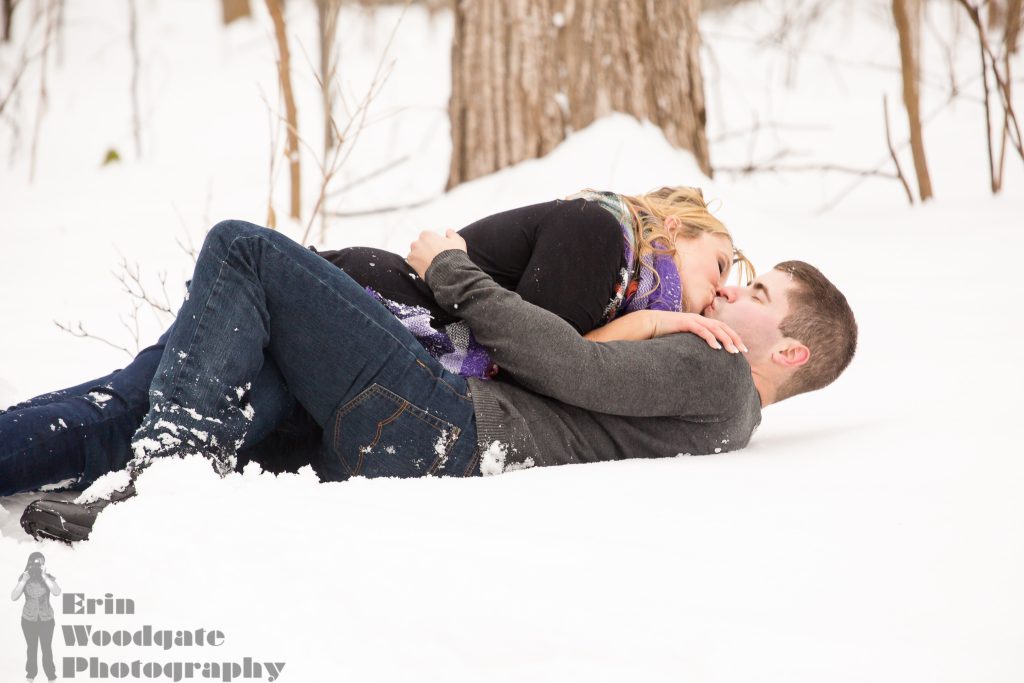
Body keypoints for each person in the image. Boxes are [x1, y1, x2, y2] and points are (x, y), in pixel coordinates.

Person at [20, 216, 857, 543]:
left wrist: (452, 269)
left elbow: (566, 365)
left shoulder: (721, 372)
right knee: (151, 399)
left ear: (789, 353)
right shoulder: (714, 396)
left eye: (760, 294)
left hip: (441, 420)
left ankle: (165, 478)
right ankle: (145, 463)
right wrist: (646, 322)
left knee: (242, 248)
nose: (733, 293)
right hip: (421, 434)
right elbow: (593, 377)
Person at [2, 187, 750, 498]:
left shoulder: (620, 288)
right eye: (720, 267)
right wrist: (647, 325)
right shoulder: (604, 235)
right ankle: (164, 477)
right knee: (138, 413)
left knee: (125, 408)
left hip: (346, 337)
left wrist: (643, 326)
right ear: (674, 227)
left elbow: (544, 352)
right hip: (357, 308)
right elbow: (524, 355)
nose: (717, 295)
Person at [11, 551, 60, 682]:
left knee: (46, 649)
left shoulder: (48, 578)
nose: (40, 566)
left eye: (42, 563)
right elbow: (13, 597)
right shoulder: (24, 577)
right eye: (37, 563)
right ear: (30, 564)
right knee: (31, 649)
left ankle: (51, 676)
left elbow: (56, 592)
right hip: (28, 620)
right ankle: (31, 676)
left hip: (47, 619)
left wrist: (45, 576)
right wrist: (23, 580)